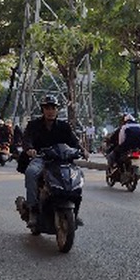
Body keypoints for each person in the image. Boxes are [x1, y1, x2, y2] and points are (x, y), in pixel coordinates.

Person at [21, 95, 80, 227]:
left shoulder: (64, 126)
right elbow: (27, 139)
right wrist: (29, 149)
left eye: (53, 108)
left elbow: (74, 141)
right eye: (47, 108)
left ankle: (74, 211)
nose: (50, 111)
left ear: (57, 110)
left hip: (61, 160)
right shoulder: (33, 125)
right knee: (31, 172)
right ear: (42, 110)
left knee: (76, 176)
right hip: (41, 158)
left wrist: (82, 150)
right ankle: (33, 209)